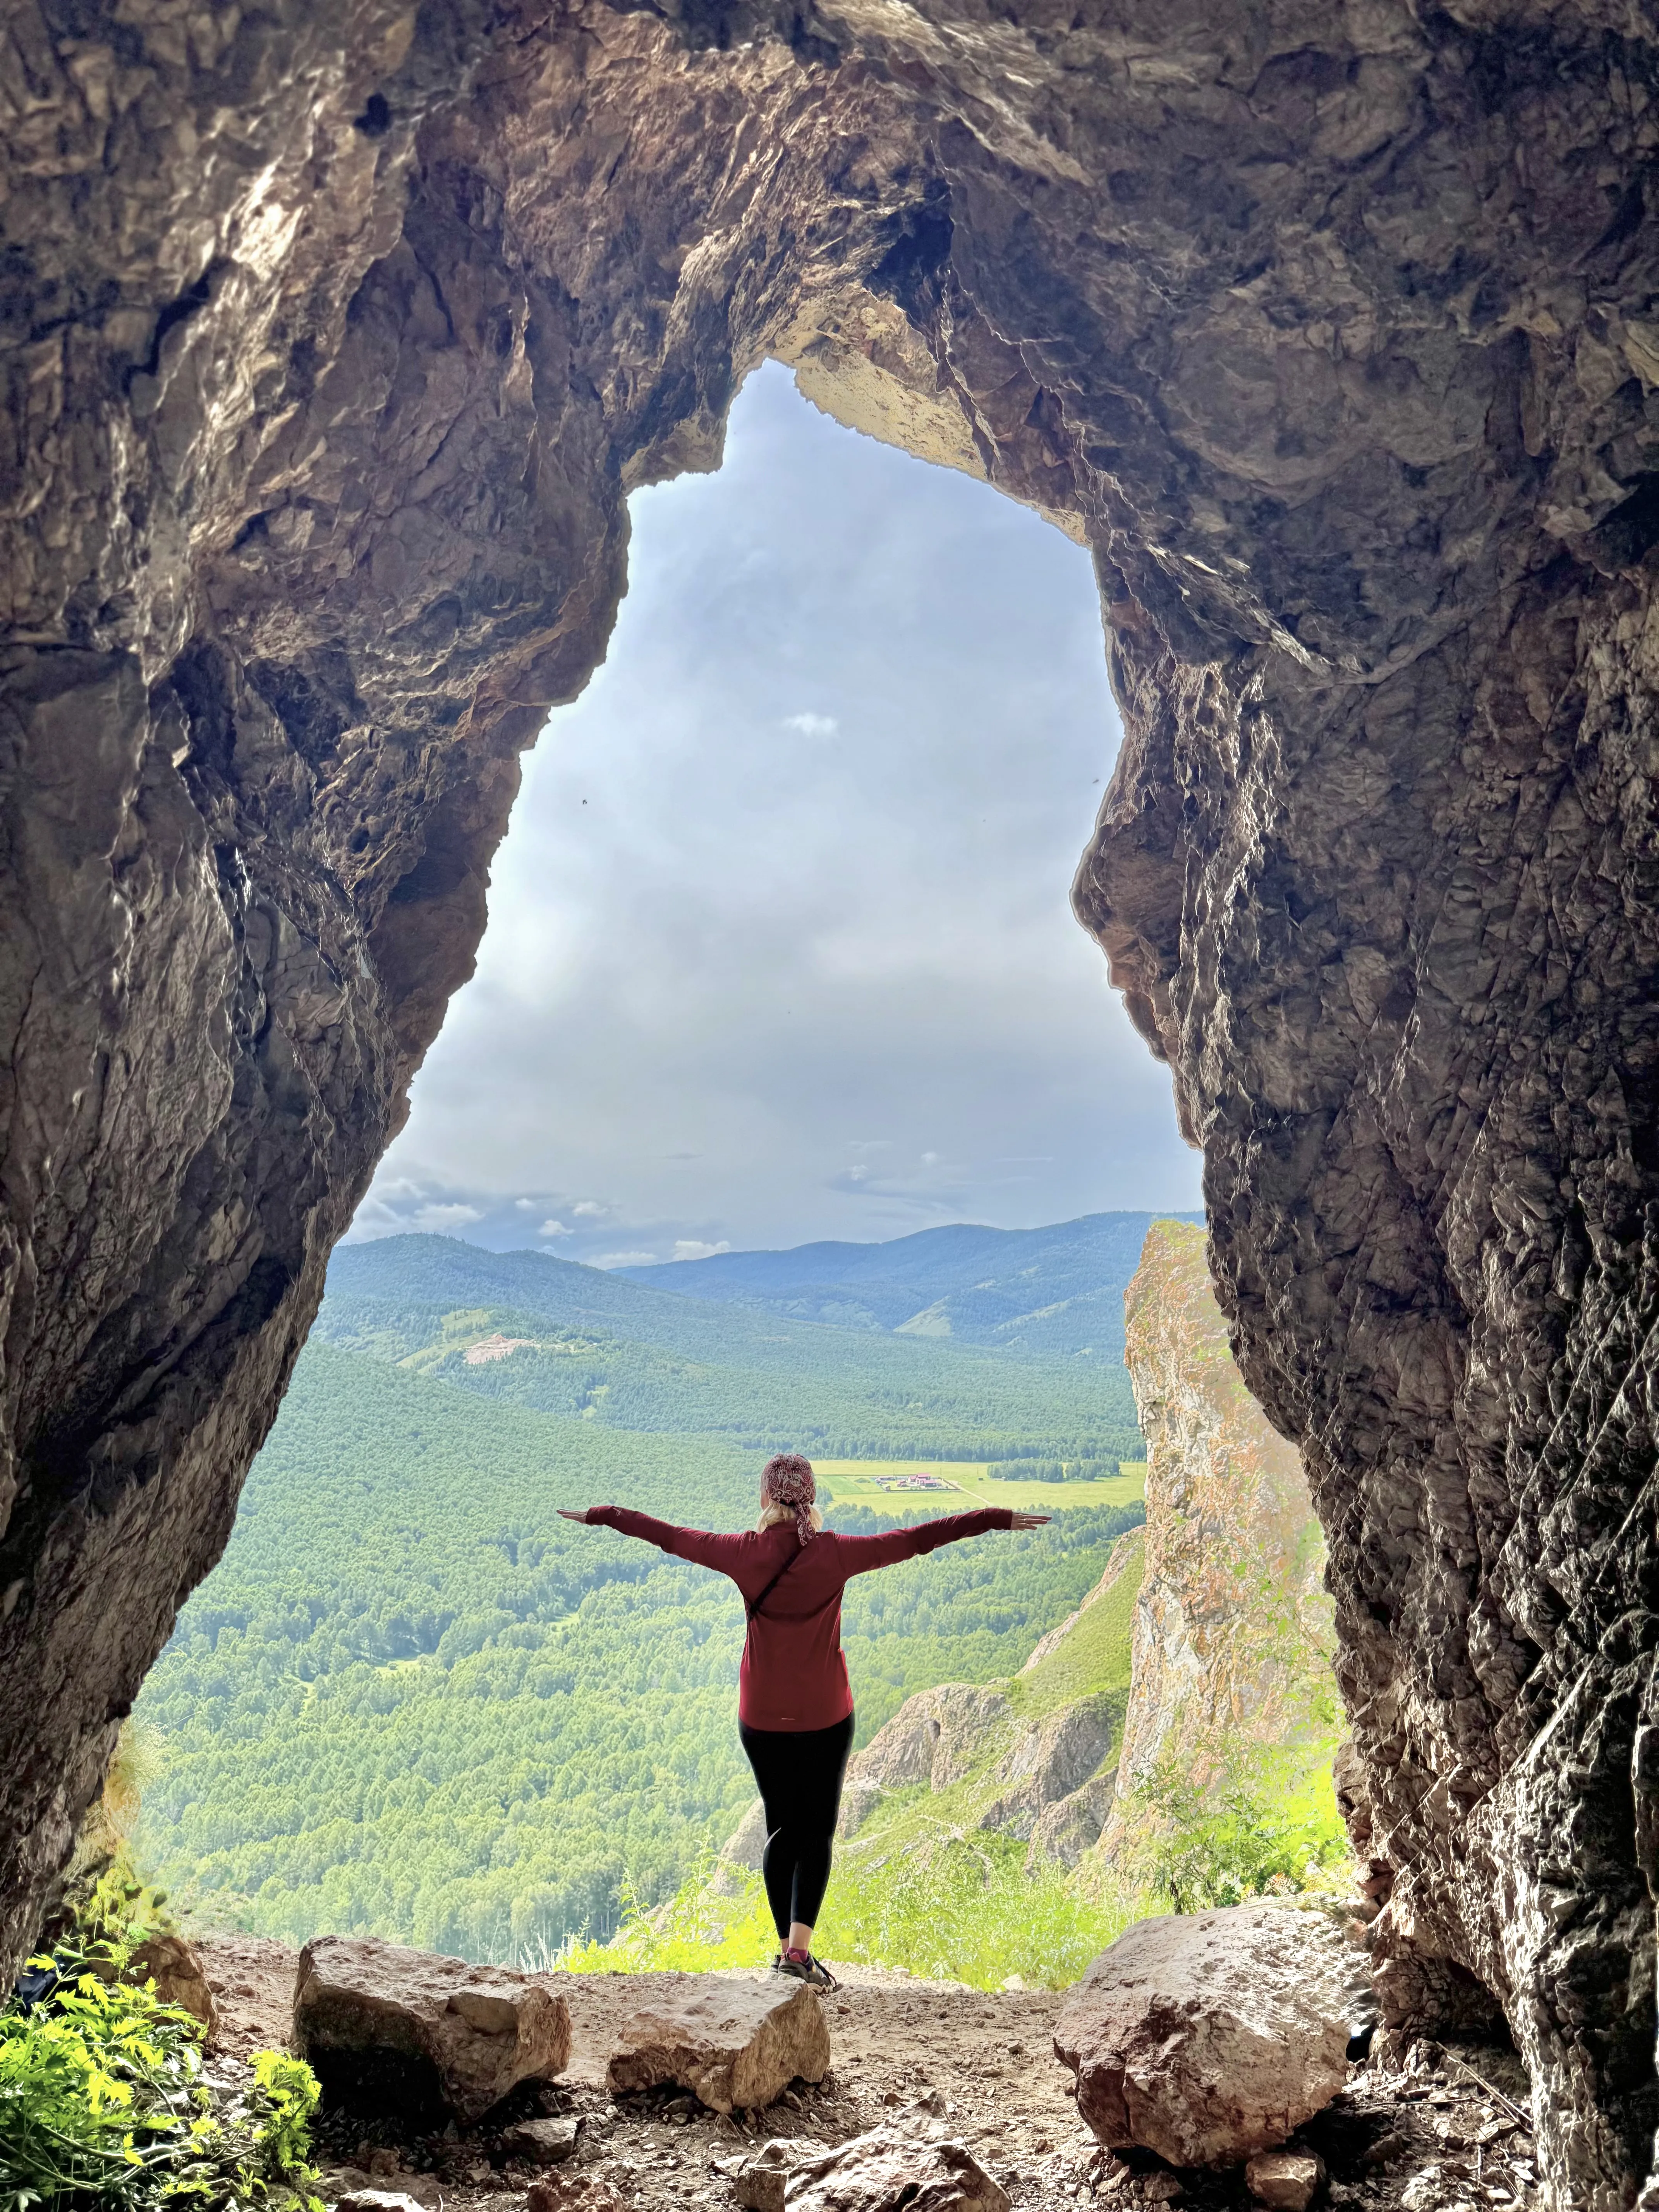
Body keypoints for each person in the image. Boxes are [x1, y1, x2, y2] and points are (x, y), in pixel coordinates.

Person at [559, 1454, 1049, 1989]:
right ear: (811, 1500)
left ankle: (785, 1955)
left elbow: (670, 1536)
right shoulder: (835, 1555)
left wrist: (603, 1513)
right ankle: (799, 1954)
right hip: (825, 1715)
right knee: (817, 1832)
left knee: (782, 1828)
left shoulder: (743, 1554)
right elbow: (917, 1539)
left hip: (763, 1716)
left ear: (767, 1499)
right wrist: (994, 1518)